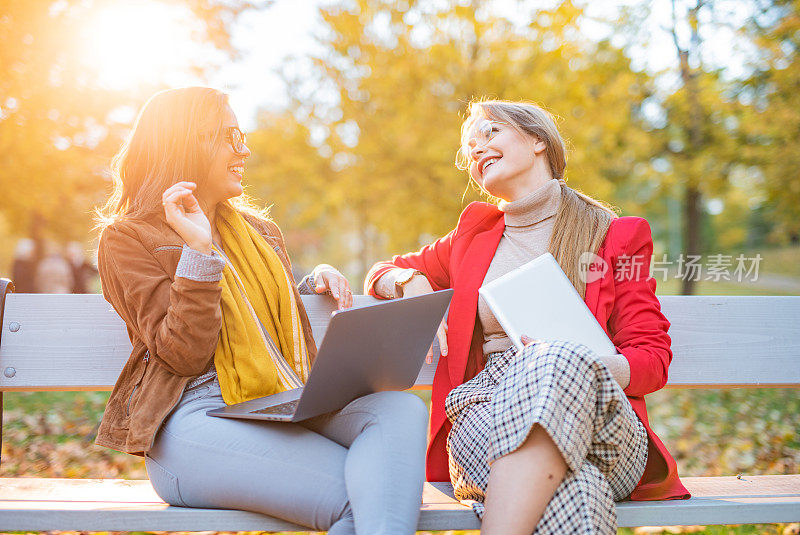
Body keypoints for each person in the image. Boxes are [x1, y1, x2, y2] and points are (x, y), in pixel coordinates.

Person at [94, 87, 428, 535]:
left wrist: (310, 287)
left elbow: (259, 320)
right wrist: (198, 251)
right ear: (190, 141)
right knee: (365, 499)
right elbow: (184, 354)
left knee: (398, 410)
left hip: (278, 402)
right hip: (193, 422)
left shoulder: (259, 232)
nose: (244, 149)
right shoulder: (126, 238)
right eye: (231, 137)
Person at [365, 99, 690, 534]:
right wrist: (407, 281)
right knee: (578, 494)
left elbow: (653, 359)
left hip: (598, 414)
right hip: (488, 411)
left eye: (489, 133)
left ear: (537, 138)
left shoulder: (615, 234)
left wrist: (580, 363)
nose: (476, 150)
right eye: (469, 147)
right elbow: (381, 271)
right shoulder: (471, 236)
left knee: (555, 358)